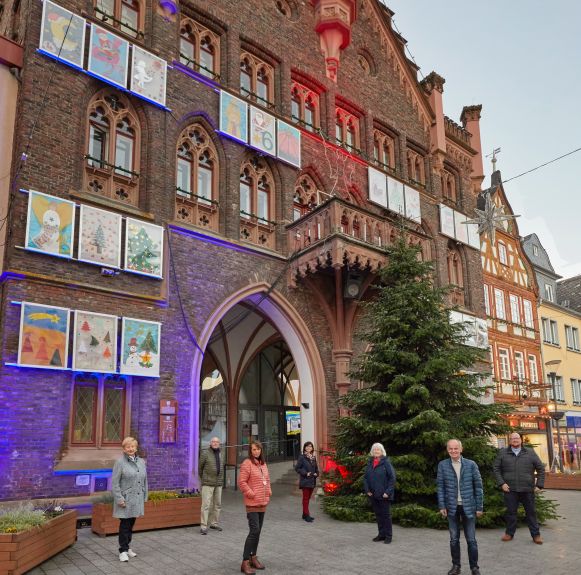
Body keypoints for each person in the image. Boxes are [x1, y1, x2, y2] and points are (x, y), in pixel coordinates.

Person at [437, 439, 483, 575]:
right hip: (451, 507)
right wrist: (442, 505)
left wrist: (479, 507)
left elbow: (478, 487)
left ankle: (474, 567)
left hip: (468, 506)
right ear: (447, 450)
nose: (453, 451)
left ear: (461, 449)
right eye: (450, 449)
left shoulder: (471, 464)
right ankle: (456, 566)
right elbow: (440, 487)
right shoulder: (442, 465)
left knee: (471, 540)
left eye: (456, 448)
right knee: (454, 539)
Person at [493, 432, 545, 544]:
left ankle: (536, 535)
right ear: (509, 440)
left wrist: (539, 485)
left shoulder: (530, 452)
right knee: (511, 513)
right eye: (512, 438)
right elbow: (496, 469)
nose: (515, 440)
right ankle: (509, 533)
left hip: (527, 489)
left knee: (531, 513)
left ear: (521, 440)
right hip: (510, 489)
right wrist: (502, 483)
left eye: (517, 438)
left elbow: (540, 468)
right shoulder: (502, 453)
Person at [111, 437, 148, 563]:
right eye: (128, 447)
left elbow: (145, 481)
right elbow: (115, 483)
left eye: (132, 446)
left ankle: (127, 547)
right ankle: (122, 551)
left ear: (136, 448)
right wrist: (119, 499)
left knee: (131, 524)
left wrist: (144, 496)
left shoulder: (141, 462)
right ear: (124, 449)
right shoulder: (120, 462)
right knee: (125, 525)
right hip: (125, 500)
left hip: (136, 499)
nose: (131, 449)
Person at [238, 441, 272, 574]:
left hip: (263, 503)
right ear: (250, 451)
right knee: (254, 531)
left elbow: (267, 481)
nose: (256, 451)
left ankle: (253, 557)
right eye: (253, 449)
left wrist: (268, 493)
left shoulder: (263, 464)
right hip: (252, 503)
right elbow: (242, 482)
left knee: (257, 532)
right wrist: (251, 493)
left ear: (261, 450)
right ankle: (245, 562)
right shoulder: (247, 463)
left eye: (258, 449)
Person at [363, 442, 396, 544]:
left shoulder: (386, 463)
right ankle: (381, 534)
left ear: (382, 451)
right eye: (375, 450)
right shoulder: (370, 463)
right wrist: (367, 490)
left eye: (378, 449)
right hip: (373, 495)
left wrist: (388, 492)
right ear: (372, 452)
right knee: (378, 515)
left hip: (384, 495)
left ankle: (388, 536)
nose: (376, 451)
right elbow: (365, 478)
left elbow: (392, 478)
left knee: (386, 516)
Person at [199, 436, 224, 535]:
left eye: (217, 442)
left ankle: (214, 523)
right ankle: (203, 526)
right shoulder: (205, 453)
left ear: (219, 443)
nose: (215, 443)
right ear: (210, 443)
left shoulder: (221, 453)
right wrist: (204, 478)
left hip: (218, 483)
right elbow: (200, 468)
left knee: (217, 504)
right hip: (208, 483)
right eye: (213, 441)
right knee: (206, 505)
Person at [295, 441, 319, 522]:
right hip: (305, 481)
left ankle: (304, 514)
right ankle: (307, 515)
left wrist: (317, 473)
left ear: (312, 448)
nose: (309, 448)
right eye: (307, 446)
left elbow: (316, 469)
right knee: (305, 499)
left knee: (308, 498)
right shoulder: (302, 457)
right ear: (304, 447)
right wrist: (305, 473)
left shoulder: (313, 457)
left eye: (310, 446)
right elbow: (297, 468)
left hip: (312, 481)